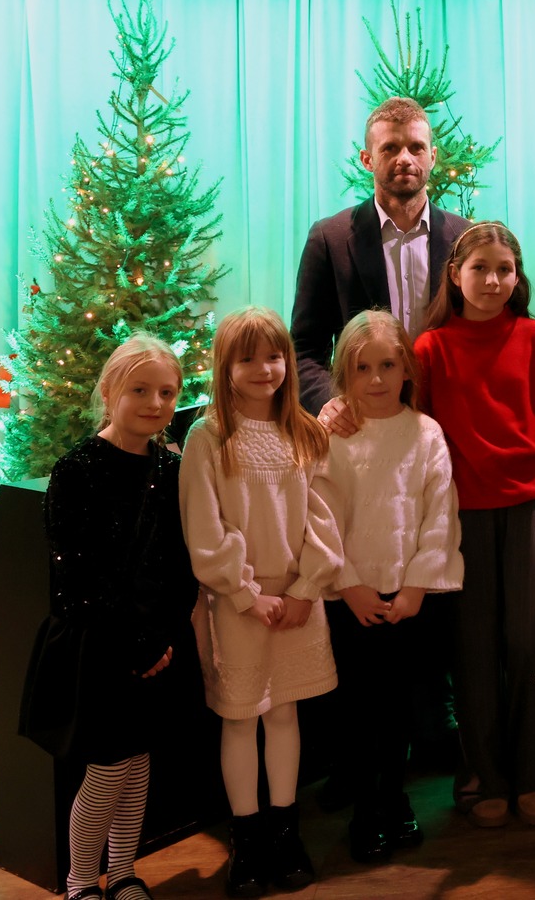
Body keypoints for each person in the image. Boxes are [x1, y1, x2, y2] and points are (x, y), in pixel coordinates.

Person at [18, 335, 201, 900]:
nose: (154, 403)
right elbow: (75, 577)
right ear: (109, 391)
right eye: (140, 390)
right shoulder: (78, 469)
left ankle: (121, 871)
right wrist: (136, 645)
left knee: (138, 761)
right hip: (102, 647)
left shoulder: (170, 468)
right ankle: (81, 880)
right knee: (107, 769)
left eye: (166, 393)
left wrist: (164, 637)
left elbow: (178, 563)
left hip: (157, 642)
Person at [178, 307, 341, 897]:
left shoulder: (305, 432)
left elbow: (324, 522)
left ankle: (284, 831)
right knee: (241, 717)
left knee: (285, 714)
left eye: (273, 356)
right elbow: (205, 529)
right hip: (237, 604)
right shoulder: (207, 437)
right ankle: (246, 839)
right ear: (225, 365)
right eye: (247, 358)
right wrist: (247, 594)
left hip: (297, 603)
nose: (263, 369)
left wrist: (304, 590)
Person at [413, 221, 535, 828]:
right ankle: (483, 774)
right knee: (474, 644)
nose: (493, 280)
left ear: (517, 276)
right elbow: (422, 433)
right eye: (480, 269)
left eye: (505, 269)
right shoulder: (430, 348)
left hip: (531, 502)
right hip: (462, 510)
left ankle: (534, 770)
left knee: (530, 640)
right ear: (456, 275)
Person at [311, 311, 463, 864]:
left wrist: (416, 588)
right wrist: (348, 584)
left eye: (387, 365)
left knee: (400, 707)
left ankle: (395, 798)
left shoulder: (426, 433)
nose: (376, 379)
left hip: (406, 601)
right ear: (344, 374)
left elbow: (439, 516)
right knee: (357, 708)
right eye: (362, 368)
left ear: (406, 369)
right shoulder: (332, 437)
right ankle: (365, 811)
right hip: (351, 600)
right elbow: (318, 515)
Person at [292, 96, 474, 415]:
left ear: (432, 157)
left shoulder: (465, 238)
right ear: (368, 159)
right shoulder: (330, 239)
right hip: (360, 420)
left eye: (416, 148)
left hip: (451, 417)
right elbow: (303, 350)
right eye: (390, 148)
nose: (405, 158)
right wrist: (331, 403)